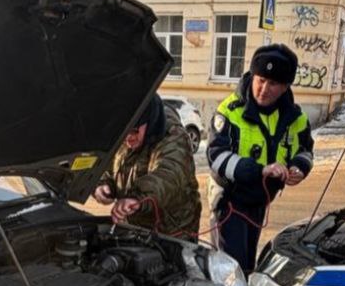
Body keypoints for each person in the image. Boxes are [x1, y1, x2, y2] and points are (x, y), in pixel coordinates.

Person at [206, 43, 314, 273]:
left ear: (285, 87)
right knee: (230, 271)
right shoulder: (229, 111)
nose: (264, 89)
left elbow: (305, 150)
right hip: (229, 202)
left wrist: (298, 167)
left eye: (273, 83)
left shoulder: (295, 118)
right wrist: (259, 170)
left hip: (259, 203)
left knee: (246, 265)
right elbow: (216, 157)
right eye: (260, 80)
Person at [94, 94, 202, 239]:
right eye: (124, 132)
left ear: (150, 122)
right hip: (134, 230)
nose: (128, 138)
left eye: (134, 131)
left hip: (172, 235)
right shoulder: (126, 135)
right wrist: (103, 186)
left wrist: (138, 198)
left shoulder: (173, 137)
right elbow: (109, 167)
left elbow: (168, 174)